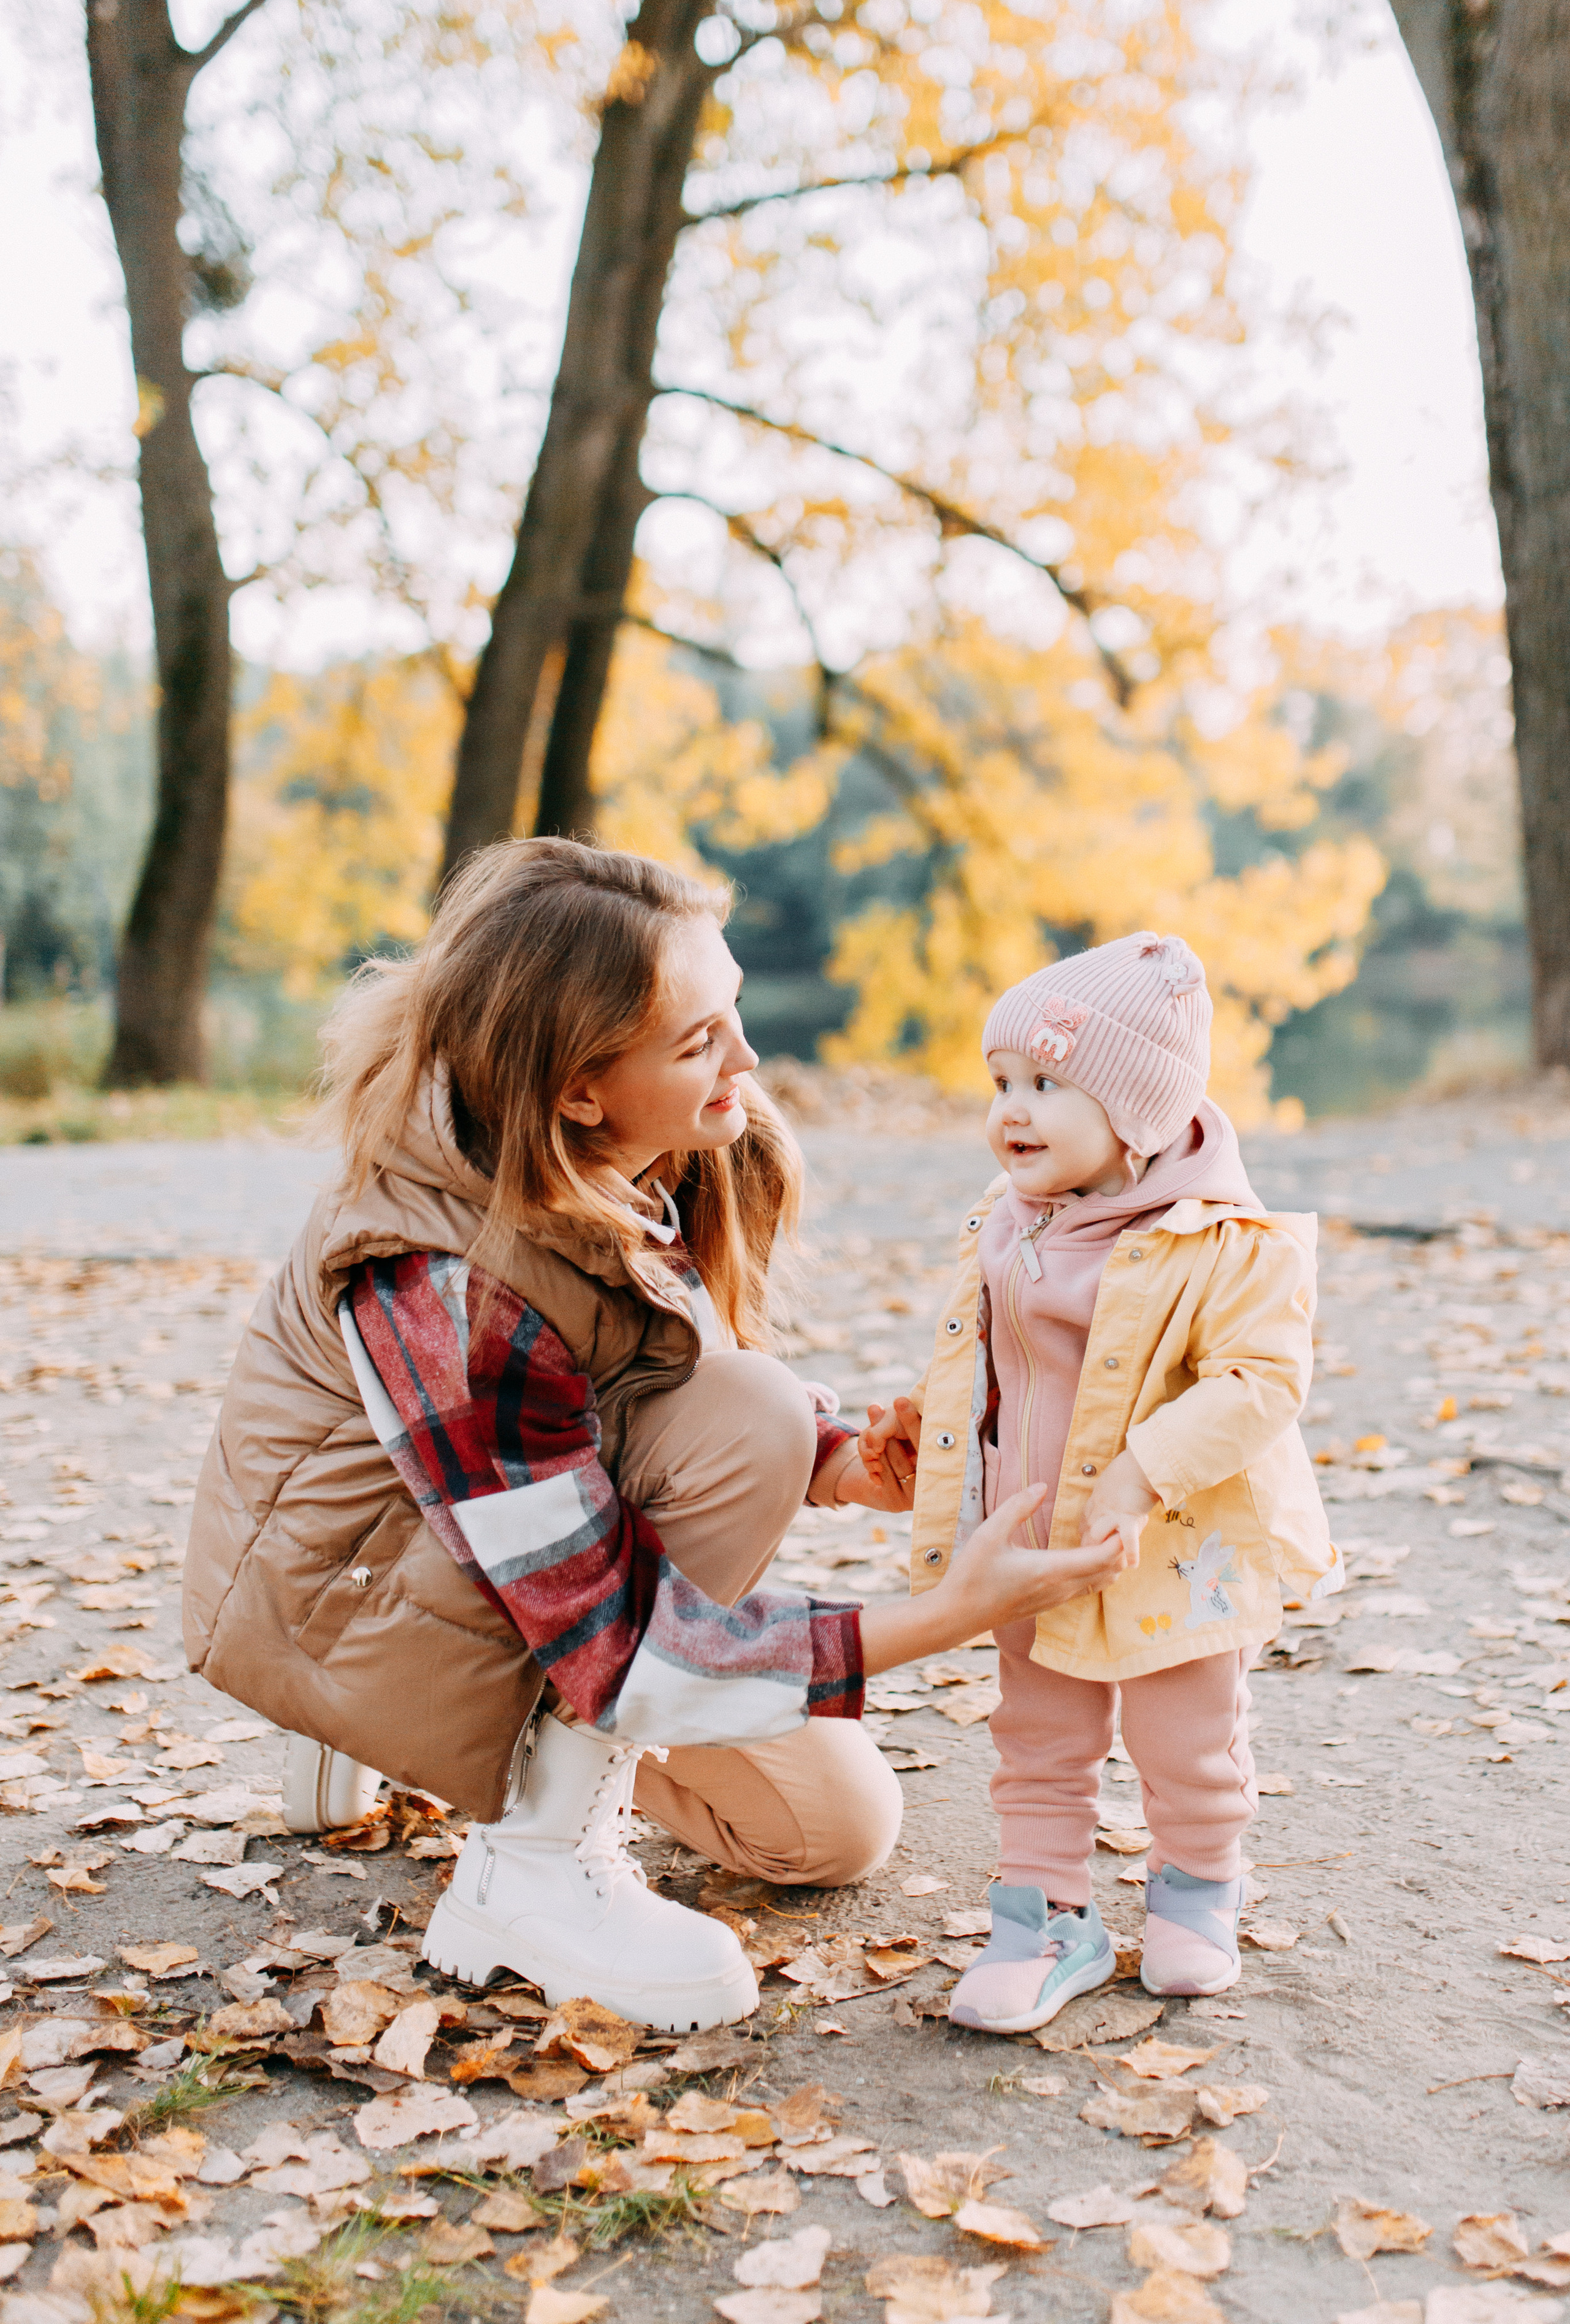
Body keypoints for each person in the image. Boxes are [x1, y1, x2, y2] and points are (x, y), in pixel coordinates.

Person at [183, 839, 1129, 2035]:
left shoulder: (617, 1137)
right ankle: (522, 1870)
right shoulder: (441, 1283)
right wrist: (949, 1613)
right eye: (699, 1041)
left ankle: (433, 1739)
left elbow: (628, 1391)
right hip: (344, 1586)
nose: (745, 1061)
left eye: (730, 1011)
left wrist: (842, 1465)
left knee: (829, 1832)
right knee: (756, 1415)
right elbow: (619, 1653)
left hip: (481, 1539)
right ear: (578, 1084)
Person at [859, 931, 1340, 2025]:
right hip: (1034, 1539)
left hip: (1169, 1544)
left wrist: (1139, 1472)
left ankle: (1197, 1890)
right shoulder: (1011, 1222)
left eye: (1046, 1084)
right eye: (1001, 1084)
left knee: (1187, 1734)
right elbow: (987, 1354)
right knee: (1038, 1732)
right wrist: (933, 1425)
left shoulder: (1227, 1242)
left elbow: (1263, 1382)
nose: (1011, 1111)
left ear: (1138, 1114)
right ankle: (1044, 1919)